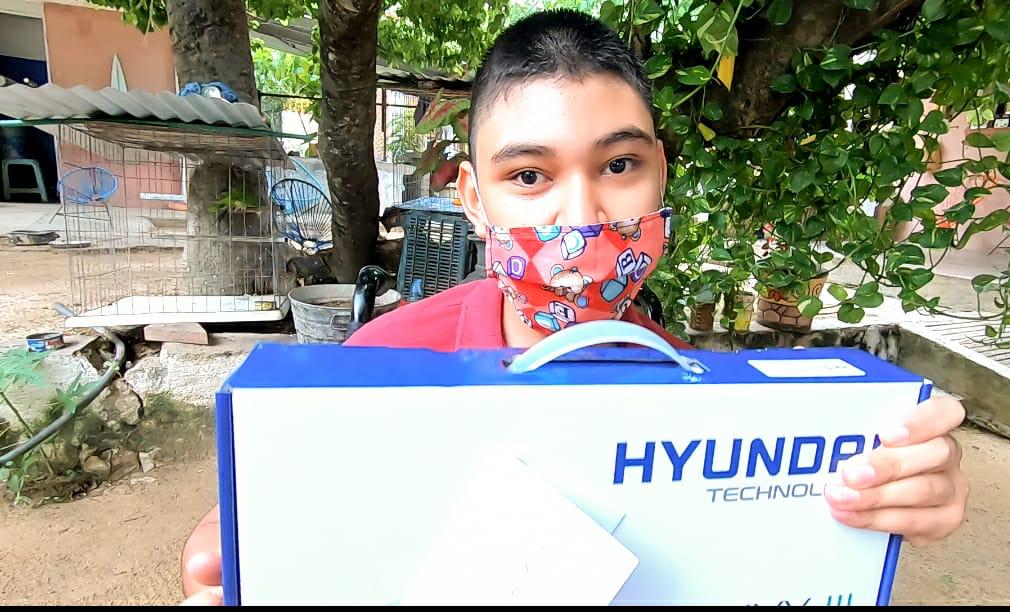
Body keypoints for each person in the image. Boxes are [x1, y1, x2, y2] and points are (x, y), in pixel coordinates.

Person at [180, 9, 968, 604]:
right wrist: (233, 560)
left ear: (660, 176)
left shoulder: (707, 403)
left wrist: (882, 482)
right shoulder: (380, 364)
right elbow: (255, 531)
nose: (581, 217)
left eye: (619, 165)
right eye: (529, 176)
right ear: (473, 199)